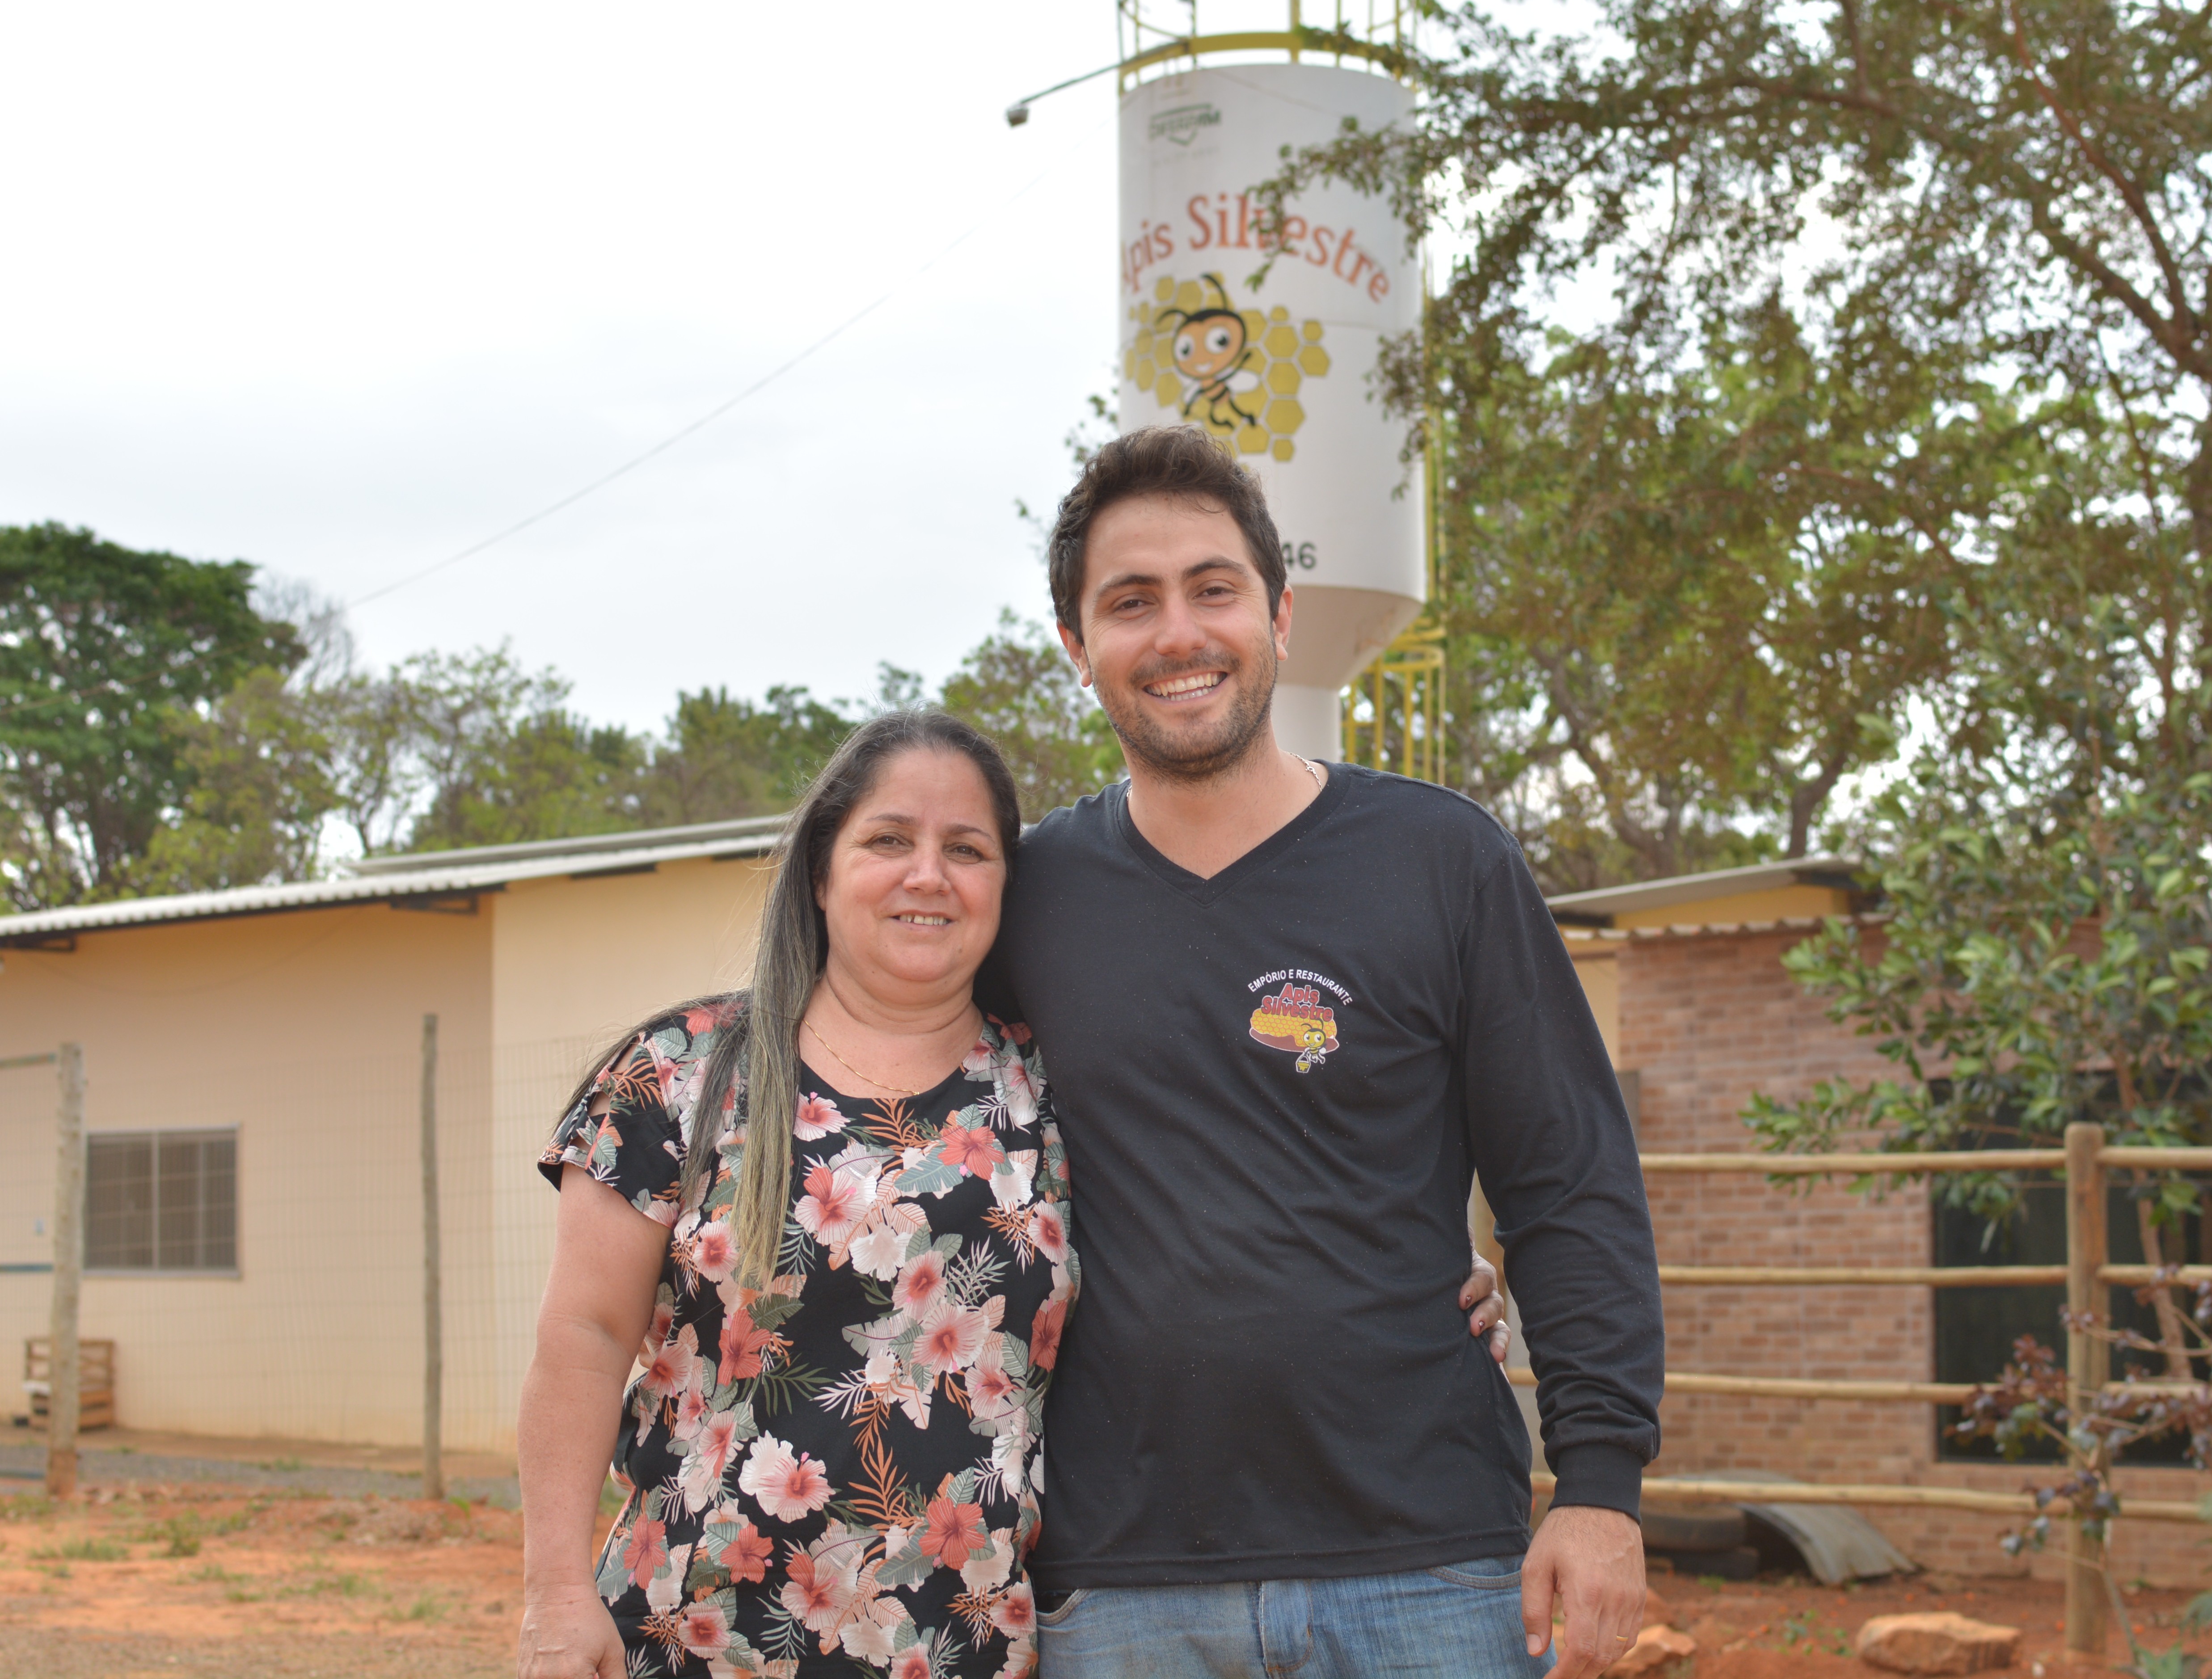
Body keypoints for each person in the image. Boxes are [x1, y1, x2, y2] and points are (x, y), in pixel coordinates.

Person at [513, 707, 1512, 1678]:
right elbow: (584, 1338)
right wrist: (555, 1593)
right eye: (889, 839)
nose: (928, 874)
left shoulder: (1052, 1086)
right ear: (820, 870)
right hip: (693, 1634)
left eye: (968, 849)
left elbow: (1211, 1196)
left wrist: (1406, 1255)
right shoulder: (683, 1073)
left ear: (1006, 887)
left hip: (965, 1646)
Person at [980, 423, 1664, 1679]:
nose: (1178, 633)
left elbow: (1568, 1183)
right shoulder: (1028, 903)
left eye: (1214, 589)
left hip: (1431, 1569)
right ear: (1077, 646)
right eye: (1131, 602)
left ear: (1281, 615)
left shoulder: (1443, 862)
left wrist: (1601, 1484)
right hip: (1124, 1585)